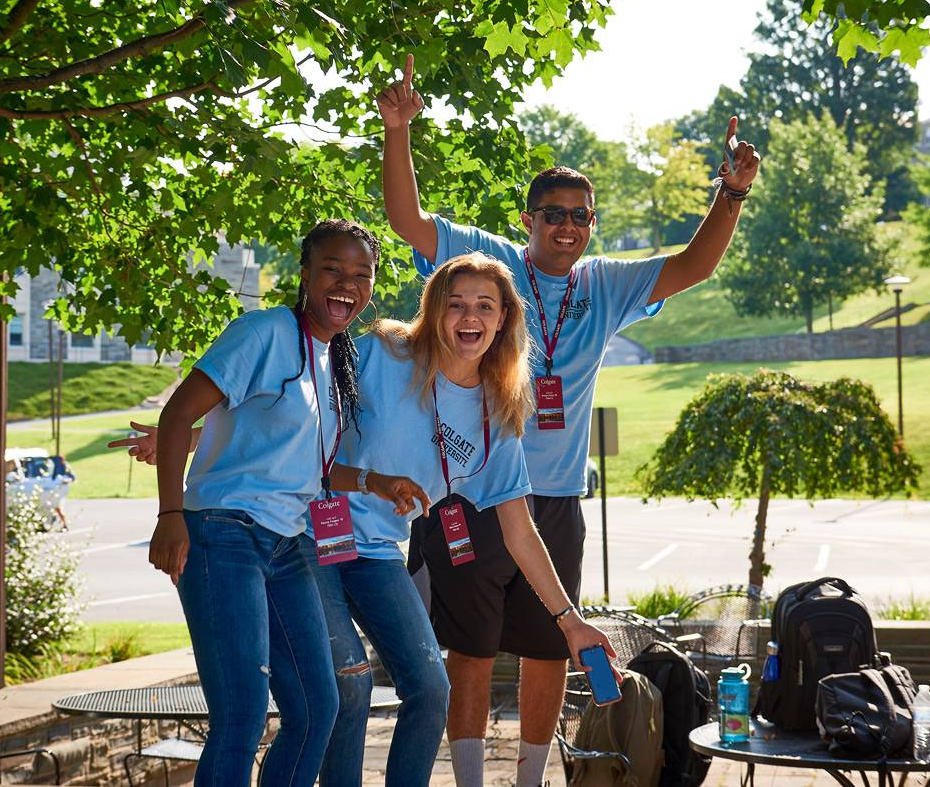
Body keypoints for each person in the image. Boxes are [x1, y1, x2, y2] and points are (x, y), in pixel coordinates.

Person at [376, 54, 761, 787]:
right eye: (553, 213)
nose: (568, 226)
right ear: (528, 221)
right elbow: (406, 219)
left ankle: (527, 780)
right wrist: (398, 130)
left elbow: (694, 266)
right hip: (476, 491)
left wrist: (731, 193)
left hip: (555, 497)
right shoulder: (488, 260)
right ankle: (467, 780)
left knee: (551, 649)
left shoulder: (607, 284)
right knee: (472, 651)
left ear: (592, 225)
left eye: (581, 215)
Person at [117, 252, 619, 787]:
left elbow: (521, 534)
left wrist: (569, 619)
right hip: (308, 536)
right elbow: (299, 418)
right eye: (455, 304)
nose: (468, 317)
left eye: (484, 306)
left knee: (430, 687)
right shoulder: (385, 353)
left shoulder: (498, 417)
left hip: (376, 551)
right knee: (348, 687)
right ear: (434, 310)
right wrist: (190, 439)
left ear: (503, 320)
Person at [143, 219, 427, 787]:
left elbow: (311, 466)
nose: (347, 284)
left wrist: (375, 481)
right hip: (223, 533)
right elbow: (177, 416)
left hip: (289, 541)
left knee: (317, 707)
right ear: (304, 274)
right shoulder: (264, 332)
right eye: (332, 269)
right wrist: (170, 516)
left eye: (361, 275)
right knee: (242, 713)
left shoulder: (332, 358)